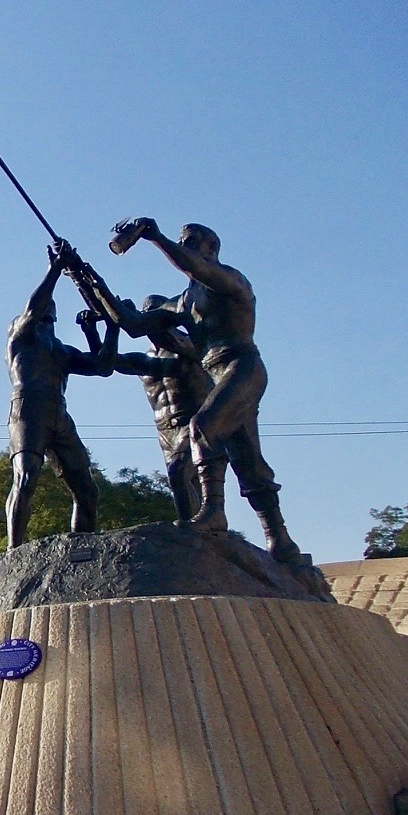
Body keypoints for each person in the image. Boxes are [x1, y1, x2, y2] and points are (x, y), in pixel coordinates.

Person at [80, 219, 302, 563]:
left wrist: (155, 237)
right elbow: (134, 324)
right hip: (217, 376)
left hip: (242, 366)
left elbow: (193, 266)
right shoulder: (184, 302)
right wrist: (92, 284)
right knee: (248, 461)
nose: (185, 246)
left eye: (192, 242)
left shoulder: (230, 280)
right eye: (184, 241)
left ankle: (214, 512)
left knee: (201, 427)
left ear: (211, 249)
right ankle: (281, 541)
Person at [5, 242, 118, 550]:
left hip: (59, 413)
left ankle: (83, 548)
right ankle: (14, 549)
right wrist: (55, 268)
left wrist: (104, 328)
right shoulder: (21, 335)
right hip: (28, 410)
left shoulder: (62, 350)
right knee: (26, 477)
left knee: (86, 490)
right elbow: (34, 308)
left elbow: (103, 367)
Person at [80, 299, 209, 521]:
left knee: (182, 474)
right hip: (165, 430)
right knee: (181, 482)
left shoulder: (188, 344)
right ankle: (196, 533)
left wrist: (127, 318)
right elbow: (108, 363)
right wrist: (100, 330)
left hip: (194, 422)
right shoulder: (148, 358)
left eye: (152, 314)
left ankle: (195, 533)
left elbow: (172, 341)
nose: (148, 317)